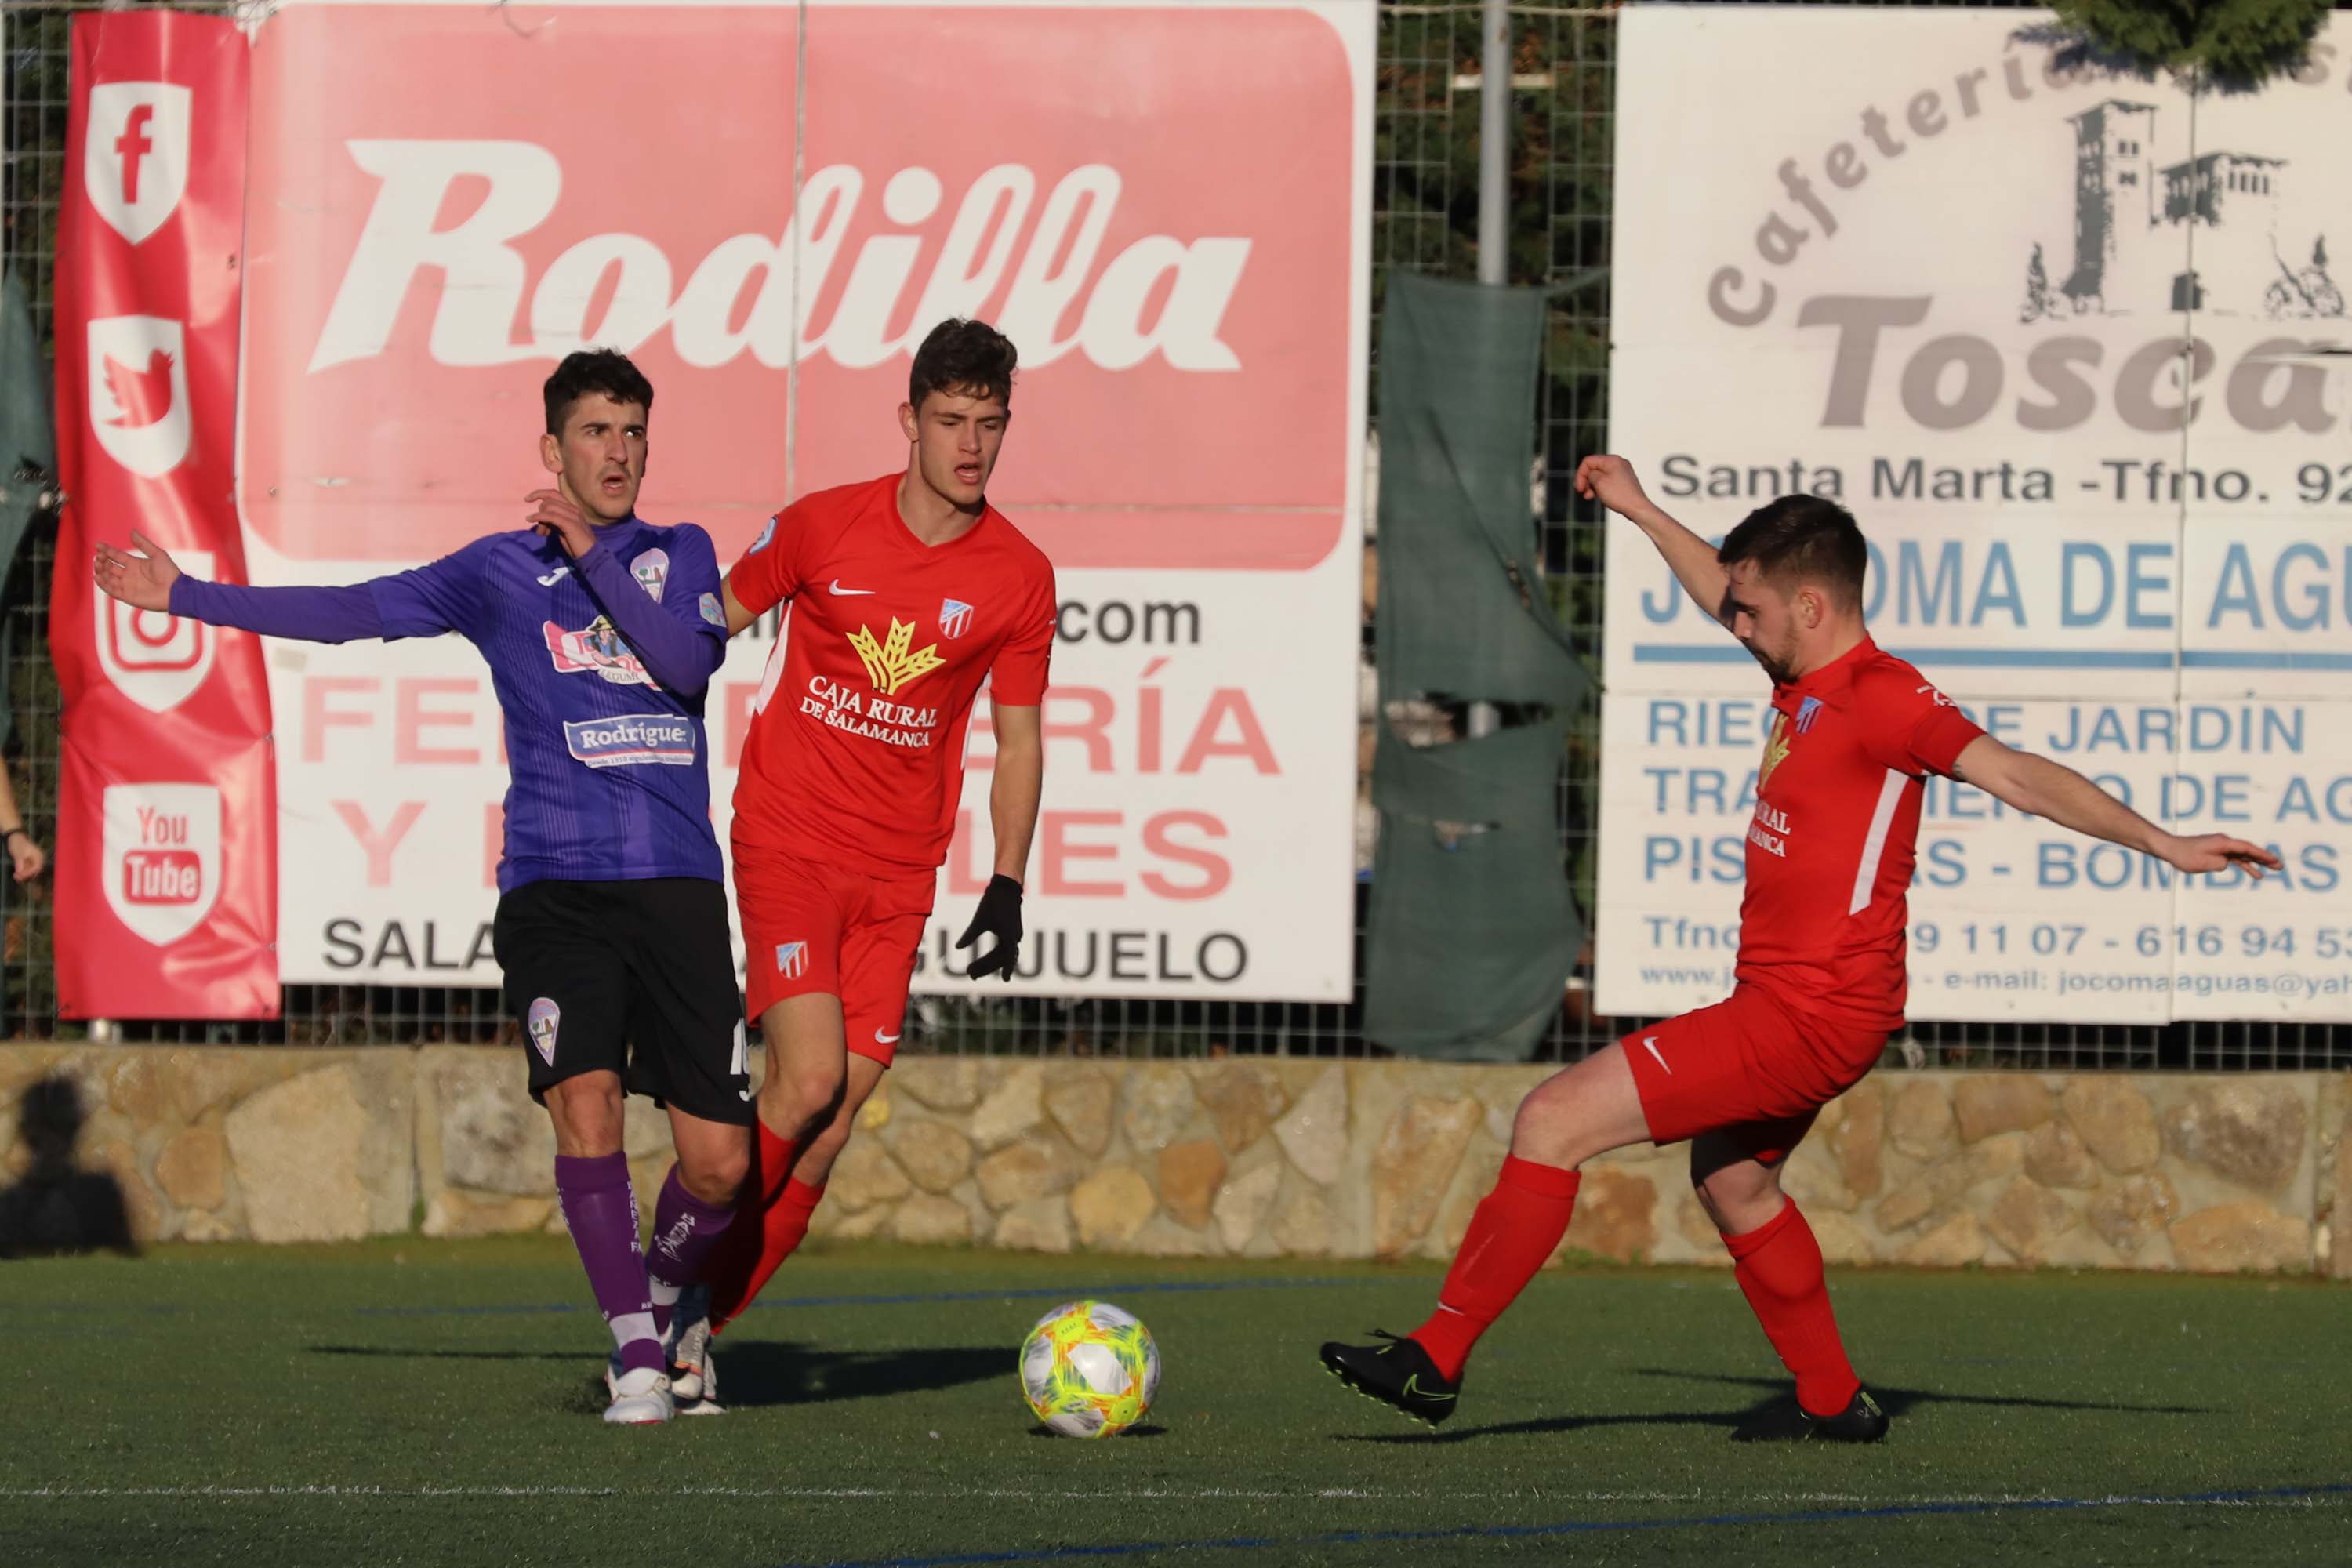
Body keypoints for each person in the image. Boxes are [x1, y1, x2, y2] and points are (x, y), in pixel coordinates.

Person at [1319, 455, 2281, 1442]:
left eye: (1751, 612)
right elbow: (1723, 586)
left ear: (1811, 605)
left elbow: (2020, 777)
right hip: (1815, 1009)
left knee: (1552, 1117)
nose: (1733, 624)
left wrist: (2163, 841)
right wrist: (1643, 508)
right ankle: (1833, 1398)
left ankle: (1436, 1355)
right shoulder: (1809, 670)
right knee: (1736, 1184)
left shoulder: (1884, 696)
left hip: (1805, 1012)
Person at [93, 349, 752, 1425]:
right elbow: (356, 610)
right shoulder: (496, 572)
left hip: (678, 885)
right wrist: (187, 596)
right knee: (582, 1105)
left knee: (720, 1166)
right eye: (594, 432)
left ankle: (670, 1299)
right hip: (556, 890)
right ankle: (636, 1355)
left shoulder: (682, 555)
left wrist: (589, 551)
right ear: (552, 448)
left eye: (632, 432)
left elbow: (684, 668)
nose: (617, 452)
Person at [664, 317, 1054, 1408]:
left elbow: (1018, 740)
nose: (970, 445)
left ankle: (695, 1330)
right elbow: (703, 631)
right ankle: (665, 1279)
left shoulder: (1020, 575)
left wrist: (1008, 883)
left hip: (902, 870)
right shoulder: (824, 525)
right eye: (950, 421)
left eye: (989, 424)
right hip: (789, 834)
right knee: (811, 1076)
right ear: (910, 421)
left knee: (830, 1133)